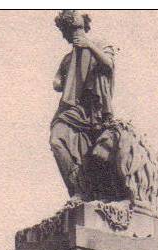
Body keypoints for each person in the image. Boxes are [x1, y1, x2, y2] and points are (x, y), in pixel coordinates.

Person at [50, 10, 117, 200]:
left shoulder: (100, 43)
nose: (70, 37)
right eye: (67, 33)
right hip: (70, 109)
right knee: (56, 140)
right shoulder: (67, 58)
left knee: (92, 154)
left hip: (94, 108)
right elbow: (57, 82)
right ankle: (76, 189)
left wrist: (89, 46)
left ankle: (89, 192)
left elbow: (109, 64)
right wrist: (59, 80)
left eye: (73, 32)